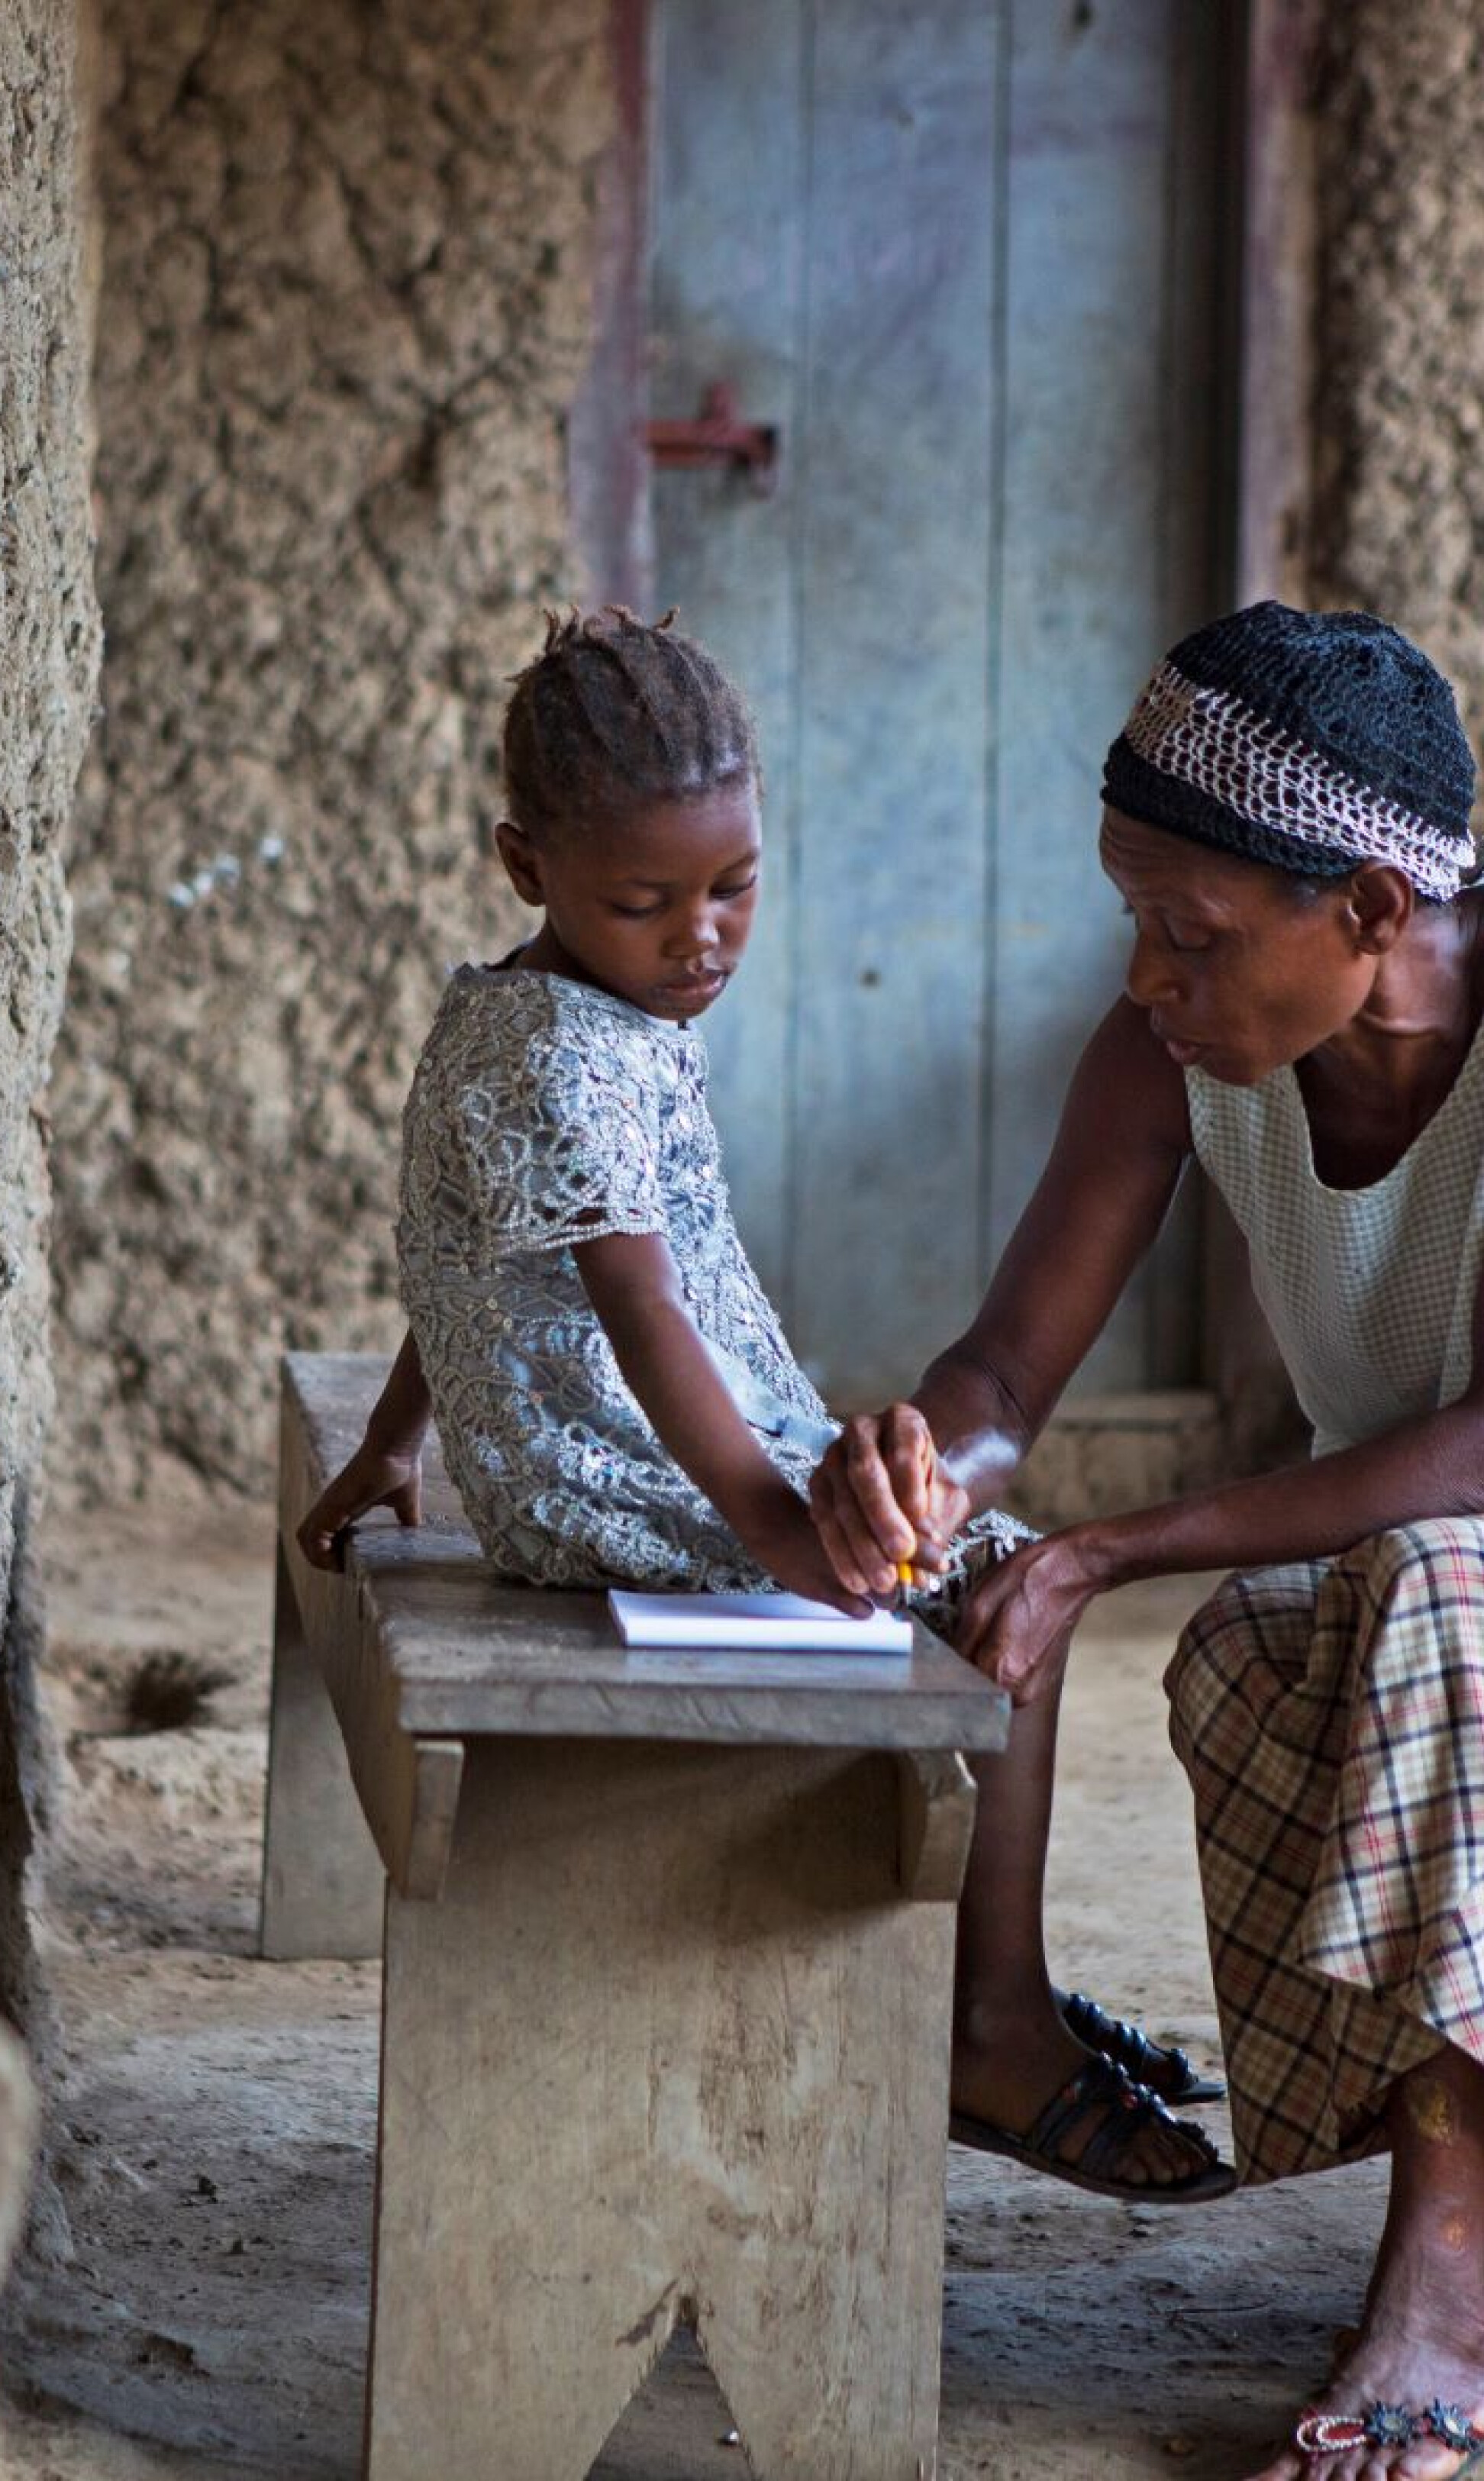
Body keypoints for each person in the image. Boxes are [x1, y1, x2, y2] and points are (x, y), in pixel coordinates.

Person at [298, 603, 1231, 2202]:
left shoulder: (548, 1002)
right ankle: (989, 2022)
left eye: (733, 886)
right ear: (526, 865)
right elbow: (643, 1315)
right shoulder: (569, 1057)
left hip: (583, 1439)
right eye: (644, 901)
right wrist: (778, 1524)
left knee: (971, 1551)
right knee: (1007, 1578)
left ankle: (982, 1984)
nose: (700, 937)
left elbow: (474, 1260)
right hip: (607, 1470)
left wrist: (401, 1436)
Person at [811, 602, 1484, 2480]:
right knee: (1258, 1640)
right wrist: (925, 1461)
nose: (1149, 974)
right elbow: (1010, 1365)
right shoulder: (1174, 1053)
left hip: (1462, 1558)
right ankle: (1009, 2031)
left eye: (1192, 932)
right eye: (1135, 918)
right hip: (1420, 1568)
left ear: (1366, 908)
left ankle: (1441, 2296)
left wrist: (1115, 1546)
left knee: (1431, 1596)